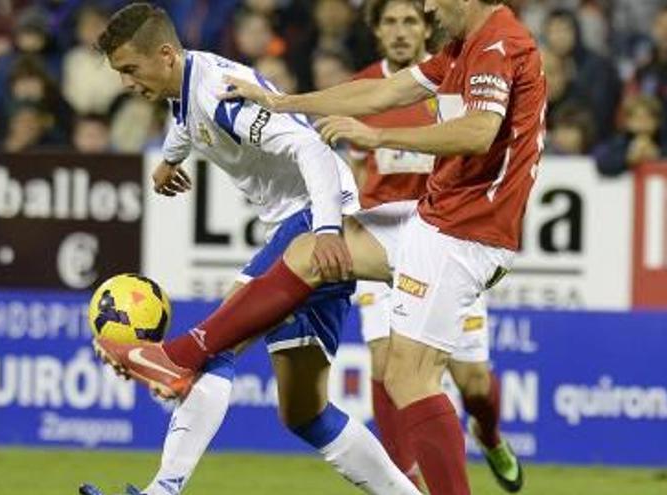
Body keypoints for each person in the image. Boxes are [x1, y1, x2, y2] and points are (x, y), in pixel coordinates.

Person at [96, 1, 545, 493]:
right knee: (306, 356)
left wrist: (372, 145)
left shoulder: (500, 45)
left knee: (406, 376)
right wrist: (283, 102)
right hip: (433, 219)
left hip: (464, 233)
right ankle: (181, 361)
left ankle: (176, 385)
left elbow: (479, 133)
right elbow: (386, 89)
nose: (430, 8)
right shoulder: (464, 47)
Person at [81, 4, 420, 495]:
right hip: (302, 219)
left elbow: (314, 150)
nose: (127, 83)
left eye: (131, 70)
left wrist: (326, 230)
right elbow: (185, 120)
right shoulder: (188, 83)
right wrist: (168, 161)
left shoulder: (221, 97)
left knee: (213, 347)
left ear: (166, 54)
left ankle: (163, 489)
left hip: (310, 217)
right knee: (306, 413)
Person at [349, 0, 521, 491]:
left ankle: (488, 434)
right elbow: (358, 166)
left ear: (426, 26)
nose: (400, 31)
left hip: (448, 238)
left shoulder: (456, 76)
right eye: (390, 22)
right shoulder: (368, 87)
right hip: (386, 237)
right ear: (377, 31)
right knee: (386, 362)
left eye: (409, 21)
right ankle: (411, 478)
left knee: (472, 383)